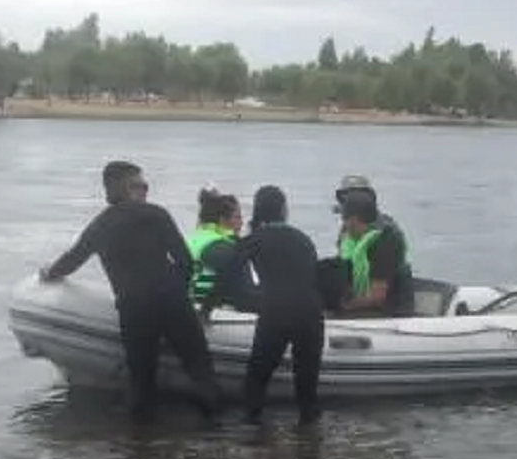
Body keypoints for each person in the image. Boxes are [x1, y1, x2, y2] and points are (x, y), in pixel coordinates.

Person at [39, 160, 221, 422]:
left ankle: (140, 448)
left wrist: (49, 273)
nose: (145, 191)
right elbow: (185, 262)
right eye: (140, 185)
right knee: (200, 369)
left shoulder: (101, 225)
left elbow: (73, 259)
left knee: (142, 378)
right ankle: (214, 438)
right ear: (122, 187)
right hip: (171, 298)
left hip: (134, 306)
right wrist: (177, 290)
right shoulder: (157, 214)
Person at [204, 185, 325, 423]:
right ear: (283, 210)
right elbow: (314, 277)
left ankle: (255, 438)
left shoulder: (254, 240)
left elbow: (227, 275)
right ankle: (310, 448)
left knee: (256, 380)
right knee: (307, 387)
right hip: (310, 312)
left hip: (277, 312)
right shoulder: (303, 239)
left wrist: (206, 309)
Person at [335, 183, 414, 316]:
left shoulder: (385, 239)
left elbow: (377, 298)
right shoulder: (351, 238)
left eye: (344, 219)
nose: (343, 225)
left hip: (392, 312)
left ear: (353, 220)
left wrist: (343, 305)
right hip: (366, 305)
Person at [186, 188, 248, 307]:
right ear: (223, 220)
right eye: (238, 217)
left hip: (186, 301)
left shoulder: (189, 238)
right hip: (212, 306)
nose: (242, 223)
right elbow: (244, 288)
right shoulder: (224, 246)